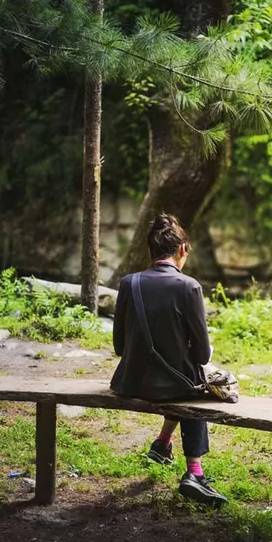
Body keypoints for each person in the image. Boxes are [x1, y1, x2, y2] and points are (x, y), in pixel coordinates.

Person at [111, 213, 228, 507]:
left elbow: (119, 346)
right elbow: (202, 355)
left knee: (181, 380)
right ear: (182, 250)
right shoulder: (189, 287)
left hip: (130, 382)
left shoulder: (129, 283)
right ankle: (195, 473)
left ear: (151, 251)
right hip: (173, 386)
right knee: (195, 386)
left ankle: (163, 444)